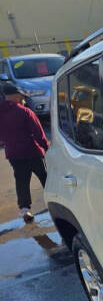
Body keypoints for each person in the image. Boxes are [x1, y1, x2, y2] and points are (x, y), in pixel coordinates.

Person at [0, 82, 49, 223]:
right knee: (45, 178)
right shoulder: (25, 111)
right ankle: (56, 202)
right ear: (15, 96)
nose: (23, 99)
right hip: (33, 152)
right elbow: (39, 133)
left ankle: (25, 209)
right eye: (22, 96)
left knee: (21, 182)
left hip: (14, 155)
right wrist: (47, 148)